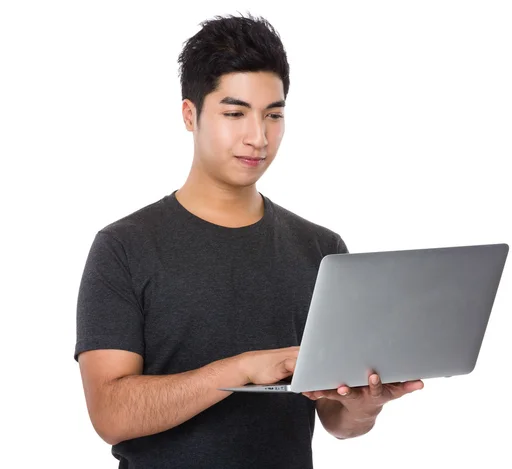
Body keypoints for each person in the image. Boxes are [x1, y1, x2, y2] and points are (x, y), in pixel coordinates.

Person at [74, 13, 423, 469]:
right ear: (189, 114)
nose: (258, 137)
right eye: (235, 113)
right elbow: (111, 414)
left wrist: (365, 404)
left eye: (273, 115)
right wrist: (242, 370)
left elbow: (337, 421)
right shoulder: (123, 248)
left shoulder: (322, 250)